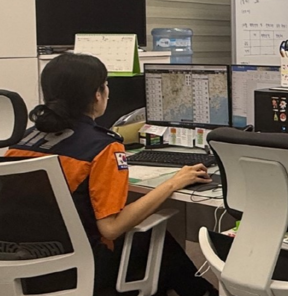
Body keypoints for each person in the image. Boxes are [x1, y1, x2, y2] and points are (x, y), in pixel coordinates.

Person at [7, 53, 217, 296]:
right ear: (97, 94)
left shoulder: (22, 142)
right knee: (155, 240)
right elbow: (111, 228)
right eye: (105, 85)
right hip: (83, 269)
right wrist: (172, 183)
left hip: (23, 267)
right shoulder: (103, 147)